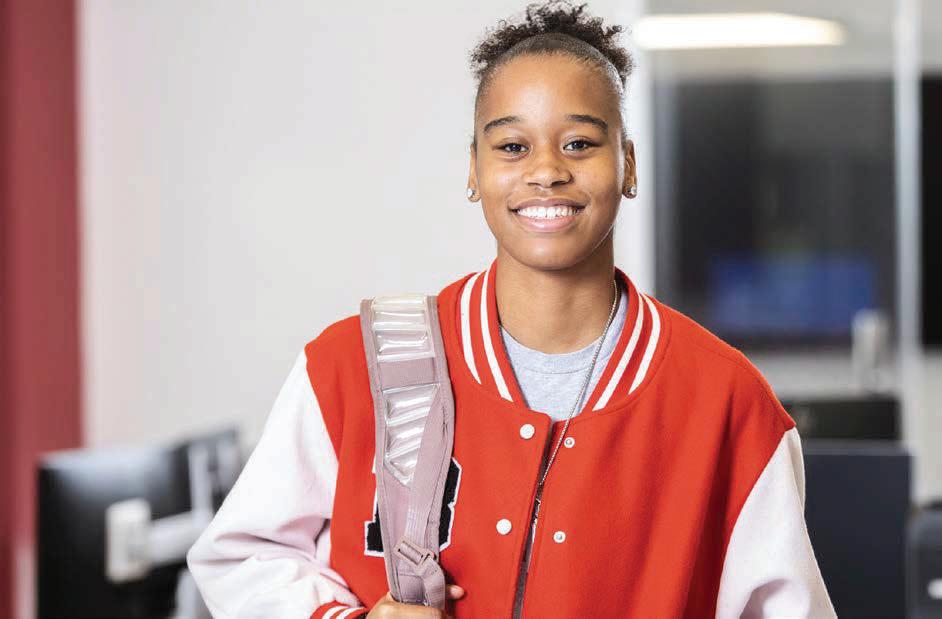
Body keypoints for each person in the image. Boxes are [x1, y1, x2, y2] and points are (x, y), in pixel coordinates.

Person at [186, 2, 837, 617]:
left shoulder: (728, 401)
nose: (546, 170)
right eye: (512, 147)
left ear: (629, 165)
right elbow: (241, 555)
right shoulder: (352, 364)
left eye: (579, 143)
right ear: (474, 169)